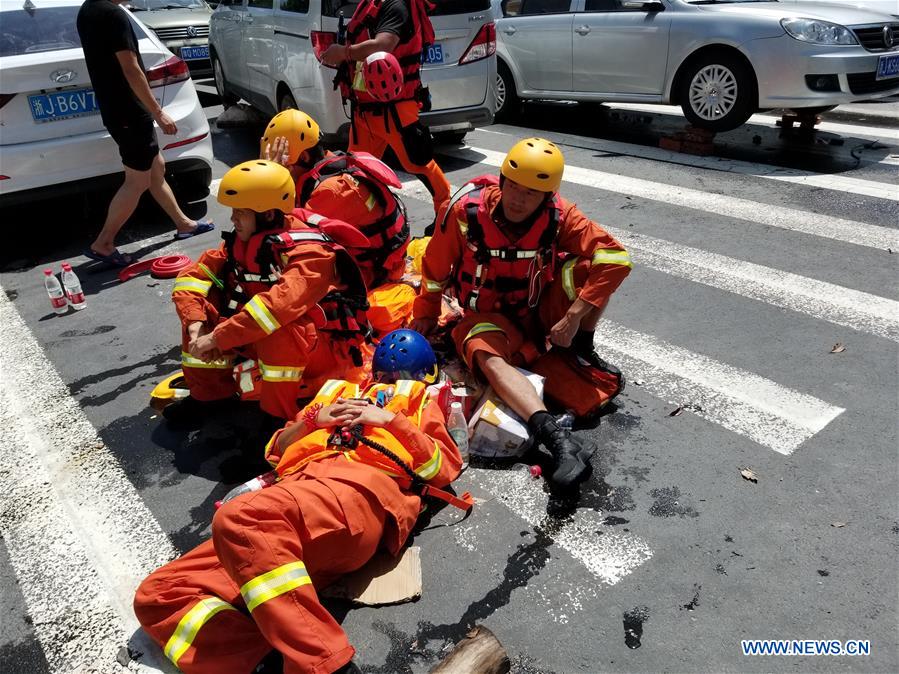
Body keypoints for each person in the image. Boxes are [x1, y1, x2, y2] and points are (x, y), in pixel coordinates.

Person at [134, 329, 467, 674]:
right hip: (293, 504)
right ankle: (267, 662)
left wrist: (390, 421)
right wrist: (312, 421)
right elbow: (276, 450)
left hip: (354, 492)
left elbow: (444, 467)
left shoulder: (418, 402)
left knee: (241, 519)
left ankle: (326, 666)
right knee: (159, 594)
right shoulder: (337, 394)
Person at [410, 137, 633, 489]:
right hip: (485, 319)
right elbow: (435, 268)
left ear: (547, 197)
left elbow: (616, 258)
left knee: (590, 266)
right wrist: (425, 309)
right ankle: (558, 440)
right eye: (512, 186)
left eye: (530, 192)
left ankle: (581, 350)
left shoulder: (560, 216)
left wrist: (574, 317)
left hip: (537, 313)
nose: (517, 198)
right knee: (486, 356)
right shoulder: (465, 213)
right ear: (500, 181)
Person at [163, 159, 371, 426]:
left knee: (281, 328)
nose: (233, 218)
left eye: (241, 212)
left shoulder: (312, 254)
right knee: (202, 308)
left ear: (268, 215)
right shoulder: (244, 241)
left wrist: (218, 338)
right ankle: (209, 397)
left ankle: (274, 421)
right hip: (266, 339)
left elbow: (275, 308)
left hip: (323, 354)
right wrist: (197, 327)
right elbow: (193, 277)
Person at [76, 0, 213, 267]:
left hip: (116, 109)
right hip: (128, 111)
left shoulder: (88, 9)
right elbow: (130, 67)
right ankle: (104, 243)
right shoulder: (112, 13)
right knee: (137, 180)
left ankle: (183, 223)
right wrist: (158, 112)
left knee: (156, 168)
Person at [319, 0, 451, 229]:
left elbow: (384, 44)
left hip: (396, 110)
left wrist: (344, 53)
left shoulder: (396, 5)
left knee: (419, 165)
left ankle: (447, 218)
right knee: (356, 173)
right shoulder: (373, 5)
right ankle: (360, 225)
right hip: (366, 111)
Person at [259, 108, 409, 290]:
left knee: (292, 273)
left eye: (285, 169)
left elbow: (285, 230)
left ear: (304, 157)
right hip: (375, 260)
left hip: (373, 273)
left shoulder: (330, 191)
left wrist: (272, 182)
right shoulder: (331, 166)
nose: (284, 176)